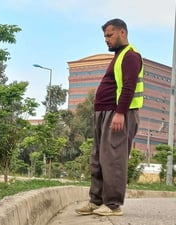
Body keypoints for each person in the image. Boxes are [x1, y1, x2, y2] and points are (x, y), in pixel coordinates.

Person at [75, 18, 144, 216]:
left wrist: (120, 113)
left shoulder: (131, 56)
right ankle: (96, 200)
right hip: (105, 113)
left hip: (118, 114)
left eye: (109, 35)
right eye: (105, 36)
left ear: (122, 33)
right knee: (98, 158)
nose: (106, 40)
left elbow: (129, 86)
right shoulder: (119, 56)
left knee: (113, 159)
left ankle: (113, 205)